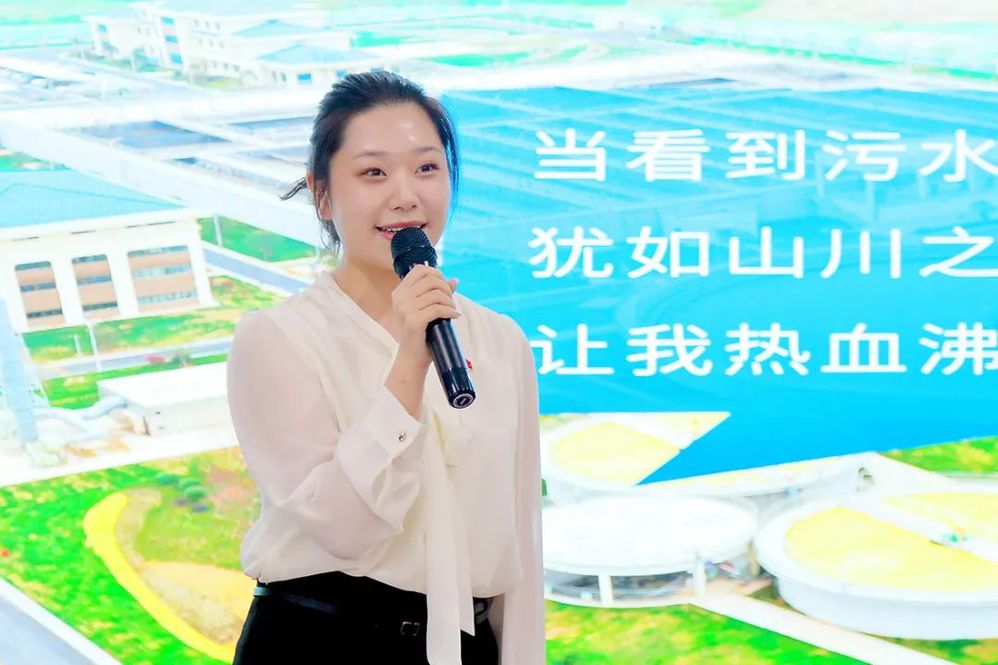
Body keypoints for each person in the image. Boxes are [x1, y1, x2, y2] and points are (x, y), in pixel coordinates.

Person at [226, 71, 544, 665]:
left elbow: (519, 541)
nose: (406, 195)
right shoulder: (276, 338)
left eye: (427, 168)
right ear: (323, 194)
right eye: (374, 172)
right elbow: (344, 529)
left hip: (467, 644)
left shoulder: (501, 341)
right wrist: (408, 362)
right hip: (322, 641)